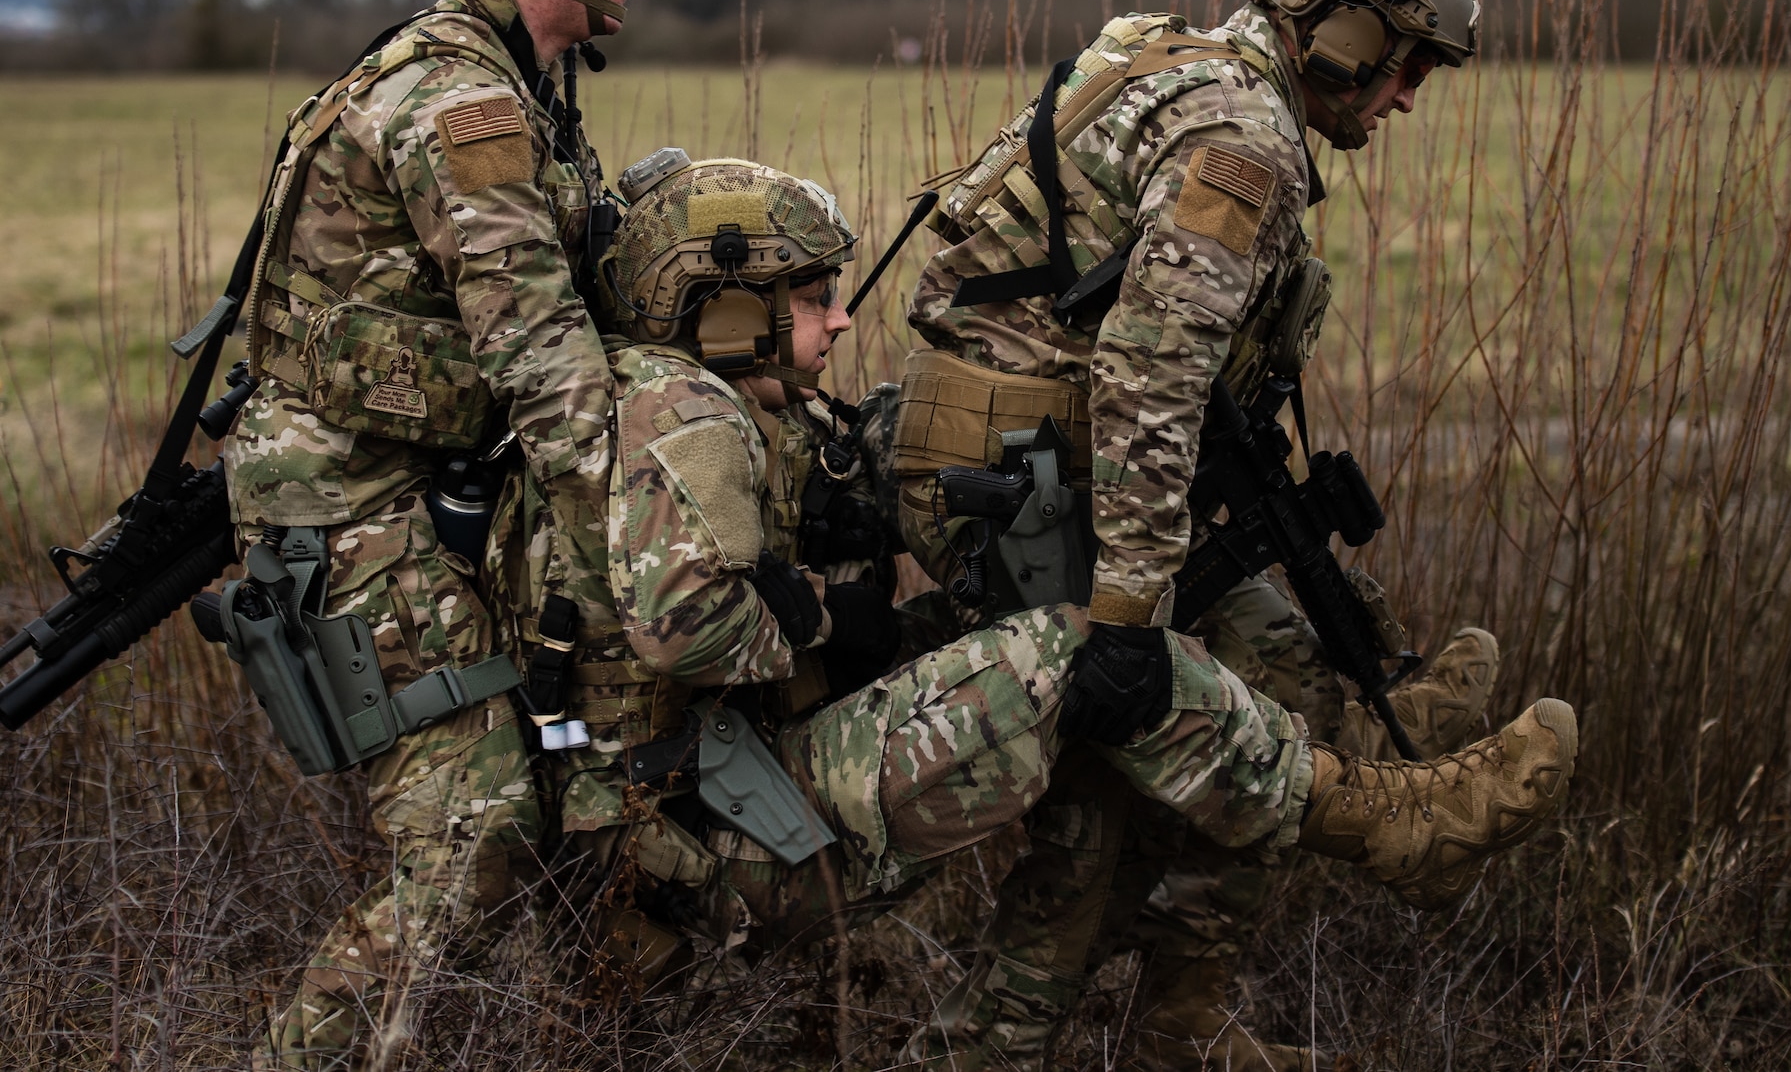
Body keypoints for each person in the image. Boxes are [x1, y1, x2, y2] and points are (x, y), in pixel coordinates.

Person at [521, 157, 1576, 1018]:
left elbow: (846, 475)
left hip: (721, 791)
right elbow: (685, 629)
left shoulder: (739, 402)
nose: (838, 321)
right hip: (701, 848)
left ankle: (1342, 740)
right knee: (1071, 649)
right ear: (718, 309)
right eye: (809, 297)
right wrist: (820, 616)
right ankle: (1381, 816)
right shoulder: (677, 410)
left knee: (1013, 618)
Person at [889, 0, 1555, 1068]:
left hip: (1042, 463)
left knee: (1281, 676)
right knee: (1101, 781)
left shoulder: (1178, 61)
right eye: (1402, 69)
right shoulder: (1239, 140)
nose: (1404, 99)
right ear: (1339, 37)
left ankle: (1182, 1022)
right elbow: (1148, 375)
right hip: (1017, 480)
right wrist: (1129, 614)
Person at [217, 0, 671, 1068]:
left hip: (432, 494)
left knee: (558, 801)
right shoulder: (462, 105)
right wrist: (656, 564)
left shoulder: (522, 84)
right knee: (477, 830)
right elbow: (548, 369)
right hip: (350, 509)